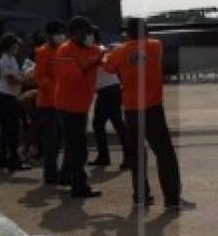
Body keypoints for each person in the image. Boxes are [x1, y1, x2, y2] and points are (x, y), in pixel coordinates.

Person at [103, 18, 190, 210]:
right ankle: (172, 199)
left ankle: (141, 197)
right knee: (164, 153)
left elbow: (107, 66)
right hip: (153, 108)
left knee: (137, 154)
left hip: (132, 110)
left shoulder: (119, 51)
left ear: (128, 33)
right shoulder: (155, 46)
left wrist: (106, 52)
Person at [55, 16, 105, 198]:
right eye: (86, 32)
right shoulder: (65, 51)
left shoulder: (90, 48)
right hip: (68, 106)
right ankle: (79, 186)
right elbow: (73, 77)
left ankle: (65, 176)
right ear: (75, 33)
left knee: (73, 143)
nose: (89, 35)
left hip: (81, 105)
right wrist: (95, 62)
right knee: (79, 147)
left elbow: (105, 62)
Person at [90, 38, 133, 169]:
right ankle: (108, 156)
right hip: (109, 91)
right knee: (112, 124)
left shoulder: (99, 50)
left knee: (108, 124)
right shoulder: (99, 50)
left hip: (108, 91)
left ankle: (113, 157)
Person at [0, 34, 27, 172]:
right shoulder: (7, 59)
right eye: (16, 44)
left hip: (3, 96)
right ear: (10, 45)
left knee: (6, 130)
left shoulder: (6, 58)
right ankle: (13, 160)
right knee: (12, 130)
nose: (18, 47)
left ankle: (3, 159)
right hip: (6, 96)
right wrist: (26, 81)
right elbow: (11, 80)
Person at [34, 21, 64, 185]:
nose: (60, 36)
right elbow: (40, 77)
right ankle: (50, 174)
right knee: (50, 141)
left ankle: (54, 171)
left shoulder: (62, 50)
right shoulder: (43, 52)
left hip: (61, 103)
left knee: (58, 140)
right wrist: (56, 89)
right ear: (48, 35)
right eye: (56, 33)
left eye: (61, 32)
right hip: (47, 104)